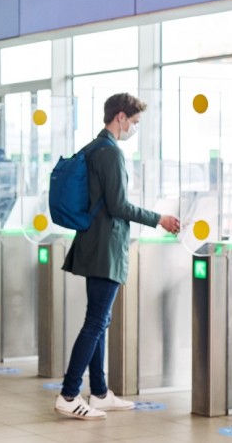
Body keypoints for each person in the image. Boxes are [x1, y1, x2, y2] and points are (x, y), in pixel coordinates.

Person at [54, 93, 180, 420]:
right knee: (95, 321)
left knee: (99, 319)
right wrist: (159, 219)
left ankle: (98, 392)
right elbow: (119, 206)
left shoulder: (94, 148)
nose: (134, 128)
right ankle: (69, 394)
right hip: (105, 247)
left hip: (91, 243)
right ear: (121, 117)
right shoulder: (110, 154)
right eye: (135, 122)